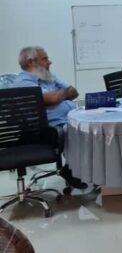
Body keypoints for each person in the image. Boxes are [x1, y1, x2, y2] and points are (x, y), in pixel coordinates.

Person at [11, 46, 87, 189]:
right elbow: (53, 98)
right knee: (81, 131)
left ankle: (79, 169)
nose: (50, 62)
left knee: (94, 127)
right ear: (30, 62)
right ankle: (72, 169)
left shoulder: (48, 76)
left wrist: (58, 96)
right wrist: (59, 94)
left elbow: (74, 92)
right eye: (44, 59)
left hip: (66, 121)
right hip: (45, 130)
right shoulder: (23, 83)